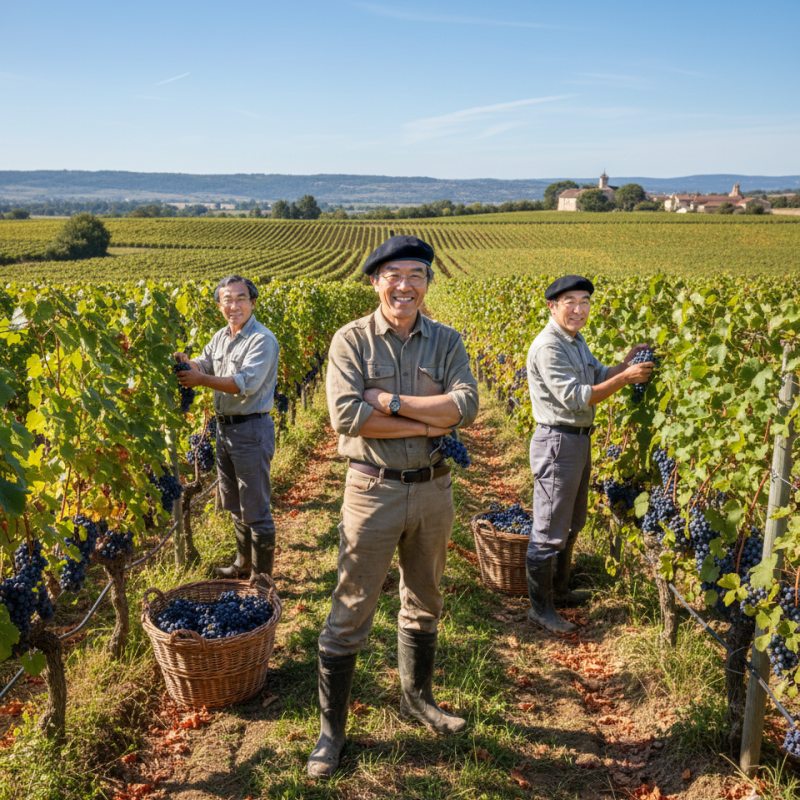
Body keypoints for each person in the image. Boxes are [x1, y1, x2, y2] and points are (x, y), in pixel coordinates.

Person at [307, 235, 479, 779]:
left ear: (428, 284)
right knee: (352, 606)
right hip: (372, 490)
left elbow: (467, 406)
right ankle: (330, 732)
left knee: (425, 597)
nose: (405, 286)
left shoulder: (447, 340)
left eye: (417, 276)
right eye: (394, 275)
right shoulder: (350, 341)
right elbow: (346, 418)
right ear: (376, 281)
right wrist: (434, 418)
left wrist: (395, 404)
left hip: (434, 489)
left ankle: (417, 699)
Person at [525, 275, 653, 634]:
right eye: (571, 302)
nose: (579, 309)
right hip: (557, 443)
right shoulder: (549, 346)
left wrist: (625, 363)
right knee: (549, 528)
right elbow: (581, 396)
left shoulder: (574, 340)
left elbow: (598, 375)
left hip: (577, 441)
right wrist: (626, 379)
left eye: (584, 302)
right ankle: (540, 609)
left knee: (571, 522)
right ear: (552, 307)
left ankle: (561, 590)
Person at [174, 275, 280, 582]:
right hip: (224, 431)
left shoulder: (262, 340)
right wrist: (186, 363)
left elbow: (243, 384)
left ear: (252, 302)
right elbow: (204, 364)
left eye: (240, 299)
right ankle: (242, 565)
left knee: (256, 509)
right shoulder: (221, 336)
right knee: (235, 503)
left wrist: (201, 380)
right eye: (227, 300)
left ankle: (262, 583)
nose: (233, 306)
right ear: (220, 305)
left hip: (251, 430)